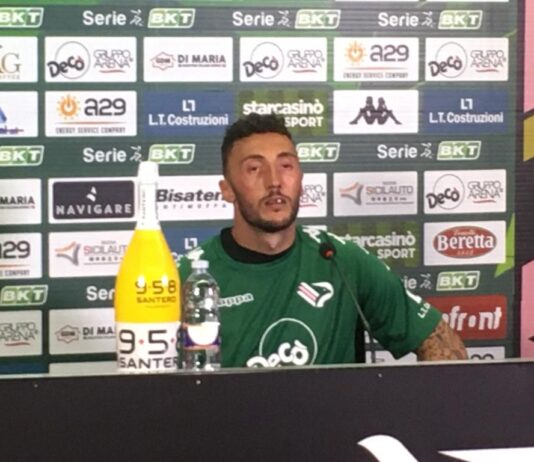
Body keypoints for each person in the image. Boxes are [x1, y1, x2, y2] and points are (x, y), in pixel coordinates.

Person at [178, 113, 467, 368]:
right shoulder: (190, 276)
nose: (274, 181)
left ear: (300, 178)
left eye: (286, 166)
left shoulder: (341, 260)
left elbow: (440, 342)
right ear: (227, 189)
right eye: (254, 168)